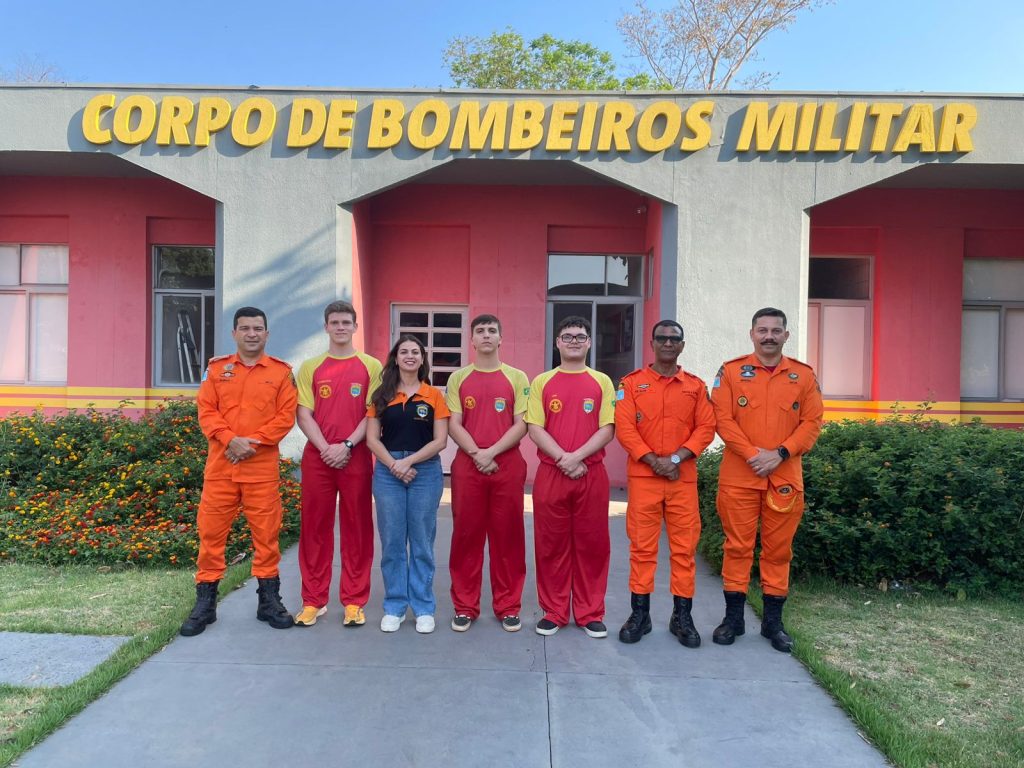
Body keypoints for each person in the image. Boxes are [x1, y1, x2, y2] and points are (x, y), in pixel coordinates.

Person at [710, 307, 823, 653]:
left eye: (776, 330)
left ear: (786, 336)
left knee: (778, 551)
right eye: (763, 330)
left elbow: (812, 422)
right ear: (752, 334)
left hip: (784, 476)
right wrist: (753, 454)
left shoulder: (803, 376)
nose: (769, 335)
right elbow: (722, 418)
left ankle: (773, 624)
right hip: (739, 476)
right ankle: (734, 619)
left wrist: (781, 454)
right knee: (738, 547)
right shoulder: (730, 372)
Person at [180, 307, 298, 637]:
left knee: (266, 537)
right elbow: (206, 410)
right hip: (221, 468)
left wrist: (252, 443)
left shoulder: (280, 373)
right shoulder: (217, 370)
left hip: (260, 470)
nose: (251, 333)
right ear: (234, 333)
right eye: (244, 328)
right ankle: (206, 604)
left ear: (266, 334)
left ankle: (268, 601)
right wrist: (231, 440)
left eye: (257, 328)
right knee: (211, 536)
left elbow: (285, 417)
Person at [614, 320, 716, 648]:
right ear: (652, 343)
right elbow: (625, 427)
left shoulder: (696, 386)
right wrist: (653, 460)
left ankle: (681, 617)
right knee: (642, 549)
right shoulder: (631, 384)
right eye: (662, 338)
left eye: (675, 339)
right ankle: (639, 615)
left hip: (681, 479)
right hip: (644, 478)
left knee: (684, 551)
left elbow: (706, 427)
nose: (668, 344)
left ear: (682, 346)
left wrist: (675, 459)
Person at [525, 315, 616, 638]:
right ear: (557, 343)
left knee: (593, 544)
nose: (574, 340)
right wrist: (563, 459)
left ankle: (590, 612)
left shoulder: (602, 382)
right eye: (568, 336)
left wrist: (577, 458)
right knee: (551, 544)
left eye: (580, 336)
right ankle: (554, 610)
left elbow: (608, 428)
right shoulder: (542, 382)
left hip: (591, 473)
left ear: (589, 342)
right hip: (552, 473)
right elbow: (534, 427)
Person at [293, 301, 382, 628]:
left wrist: (346, 445)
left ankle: (354, 600)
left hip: (355, 455)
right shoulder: (310, 367)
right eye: (335, 322)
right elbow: (304, 413)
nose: (341, 327)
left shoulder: (371, 366)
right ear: (326, 327)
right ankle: (313, 601)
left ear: (355, 326)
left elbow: (372, 413)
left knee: (356, 527)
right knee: (314, 528)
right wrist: (326, 448)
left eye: (346, 322)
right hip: (318, 457)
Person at [445, 314, 530, 633]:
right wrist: (477, 454)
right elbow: (454, 422)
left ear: (501, 338)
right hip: (468, 465)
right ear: (471, 339)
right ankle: (465, 605)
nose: (485, 335)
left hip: (506, 464)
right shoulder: (459, 378)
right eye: (479, 331)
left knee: (507, 536)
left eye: (492, 330)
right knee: (466, 535)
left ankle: (508, 605)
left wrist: (491, 453)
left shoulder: (517, 377)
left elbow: (521, 423)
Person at [366, 334, 450, 634]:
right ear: (396, 358)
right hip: (388, 472)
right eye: (404, 352)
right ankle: (395, 606)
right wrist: (394, 465)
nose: (410, 356)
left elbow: (440, 440)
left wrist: (409, 462)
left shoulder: (434, 396)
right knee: (392, 543)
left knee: (422, 542)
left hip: (424, 473)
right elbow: (372, 438)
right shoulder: (381, 395)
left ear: (422, 358)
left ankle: (424, 607)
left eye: (416, 352)